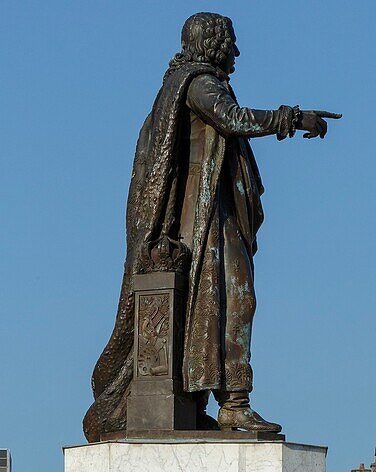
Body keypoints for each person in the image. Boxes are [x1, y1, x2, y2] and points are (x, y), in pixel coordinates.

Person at [84, 11, 338, 442]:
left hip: (210, 216)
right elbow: (232, 119)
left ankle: (205, 401)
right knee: (233, 303)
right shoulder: (199, 83)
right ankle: (233, 404)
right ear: (213, 43)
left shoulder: (189, 82)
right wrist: (292, 118)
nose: (236, 51)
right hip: (203, 224)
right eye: (231, 42)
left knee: (215, 307)